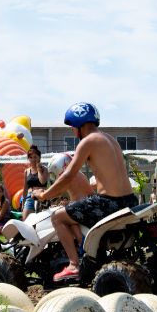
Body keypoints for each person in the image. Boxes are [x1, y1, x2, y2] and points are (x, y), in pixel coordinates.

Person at [34, 102, 137, 282]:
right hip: (129, 200)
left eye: (72, 127)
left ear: (79, 125)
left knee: (58, 217)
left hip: (109, 203)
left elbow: (68, 175)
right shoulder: (110, 139)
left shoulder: (87, 141)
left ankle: (74, 265)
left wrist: (44, 195)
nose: (73, 130)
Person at [21, 145, 49, 220]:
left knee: (40, 221)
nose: (33, 159)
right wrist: (23, 202)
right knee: (25, 220)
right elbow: (25, 188)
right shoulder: (27, 171)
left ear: (39, 157)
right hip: (30, 197)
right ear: (28, 159)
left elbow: (42, 181)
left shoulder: (44, 169)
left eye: (35, 157)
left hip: (41, 197)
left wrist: (38, 169)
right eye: (31, 157)